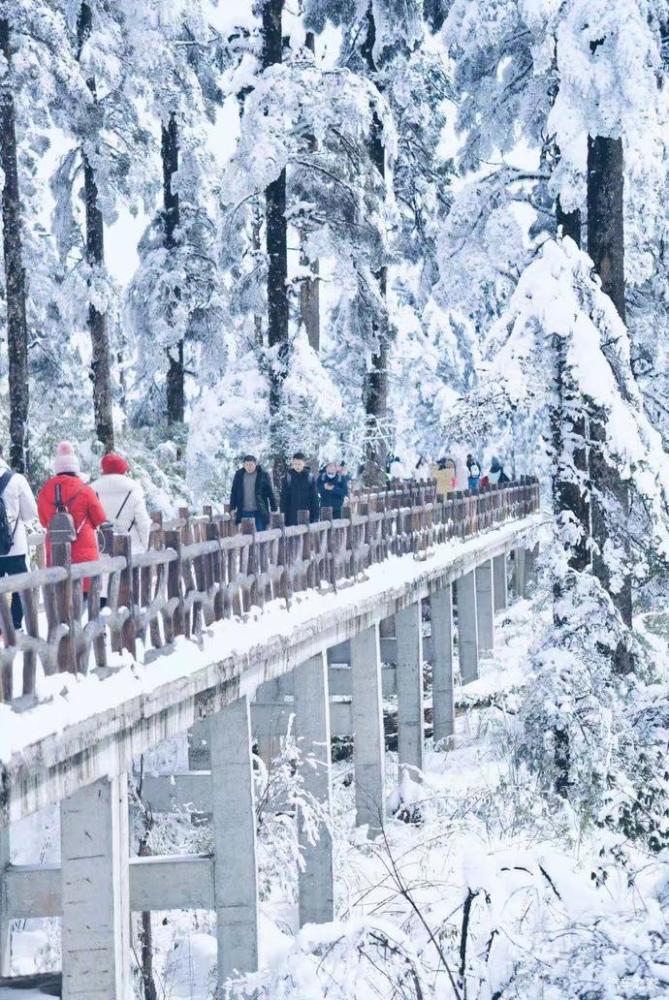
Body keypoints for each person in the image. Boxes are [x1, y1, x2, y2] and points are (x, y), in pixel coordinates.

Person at [37, 442, 107, 586]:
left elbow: (44, 522)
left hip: (56, 553)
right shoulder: (85, 490)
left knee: (59, 596)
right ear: (75, 469)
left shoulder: (45, 490)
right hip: (83, 554)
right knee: (85, 600)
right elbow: (99, 518)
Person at [0, 446, 38, 630]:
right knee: (21, 588)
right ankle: (15, 624)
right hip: (14, 546)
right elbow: (31, 513)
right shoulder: (16, 479)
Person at [91, 452, 152, 553]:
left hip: (101, 548)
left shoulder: (92, 490)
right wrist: (145, 546)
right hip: (131, 547)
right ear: (123, 469)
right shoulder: (133, 489)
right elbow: (143, 522)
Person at [229, 454, 277, 531]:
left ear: (255, 464)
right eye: (246, 465)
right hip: (244, 511)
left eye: (251, 465)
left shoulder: (263, 475)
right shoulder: (239, 475)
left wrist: (274, 507)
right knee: (247, 536)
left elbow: (270, 493)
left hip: (259, 511)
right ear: (244, 465)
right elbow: (234, 492)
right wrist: (232, 507)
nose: (249, 467)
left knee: (261, 534)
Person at [280, 452, 319, 526]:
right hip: (291, 516)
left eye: (299, 464)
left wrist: (316, 516)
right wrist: (283, 515)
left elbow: (314, 498)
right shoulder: (288, 477)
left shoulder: (310, 477)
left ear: (304, 464)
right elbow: (284, 498)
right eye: (295, 464)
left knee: (306, 536)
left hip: (307, 515)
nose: (297, 466)